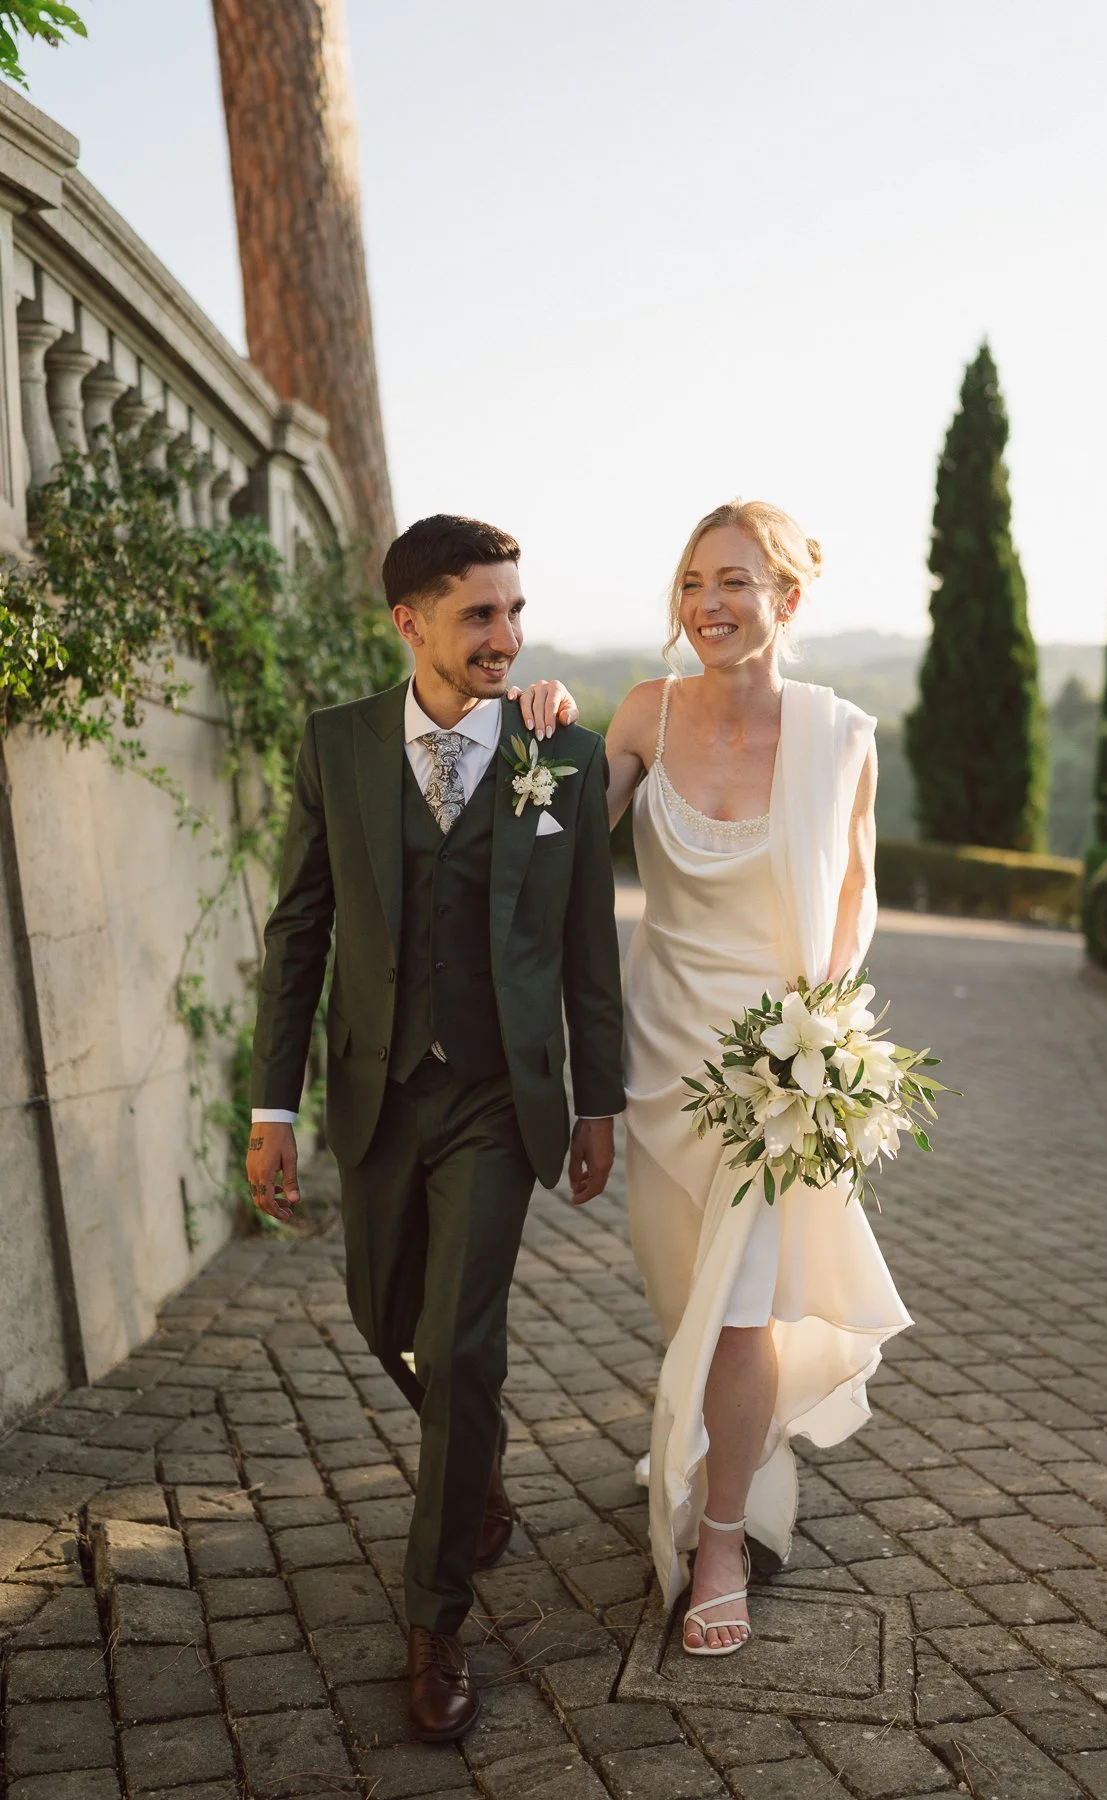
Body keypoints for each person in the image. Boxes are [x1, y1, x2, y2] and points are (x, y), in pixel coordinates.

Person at [245, 514, 624, 1739]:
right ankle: (478, 1471)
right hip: (378, 1088)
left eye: (516, 612)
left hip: (500, 1100)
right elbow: (301, 929)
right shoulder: (338, 746)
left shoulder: (559, 758)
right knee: (380, 1318)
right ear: (409, 622)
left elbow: (586, 950)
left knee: (461, 1349)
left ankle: (436, 1623)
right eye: (479, 614)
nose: (505, 636)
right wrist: (272, 1103)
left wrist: (599, 1099)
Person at [517, 500, 911, 1655]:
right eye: (693, 583)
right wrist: (548, 731)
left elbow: (856, 894)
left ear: (787, 599)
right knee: (688, 1299)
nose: (708, 605)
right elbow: (571, 833)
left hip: (775, 1082)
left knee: (742, 1315)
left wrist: (826, 1038)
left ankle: (724, 1538)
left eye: (734, 581)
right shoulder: (647, 711)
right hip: (659, 1061)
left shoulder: (842, 736)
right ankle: (719, 1442)